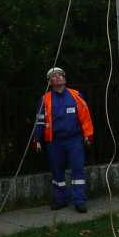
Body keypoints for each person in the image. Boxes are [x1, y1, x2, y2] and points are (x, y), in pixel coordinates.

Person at [33, 66, 94, 213]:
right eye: (54, 76)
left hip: (75, 140)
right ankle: (60, 200)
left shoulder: (76, 95)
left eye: (61, 75)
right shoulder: (44, 99)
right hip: (54, 141)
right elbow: (39, 121)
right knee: (57, 171)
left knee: (78, 170)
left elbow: (85, 117)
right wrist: (37, 139)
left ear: (65, 78)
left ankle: (79, 201)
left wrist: (88, 135)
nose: (58, 77)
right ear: (49, 81)